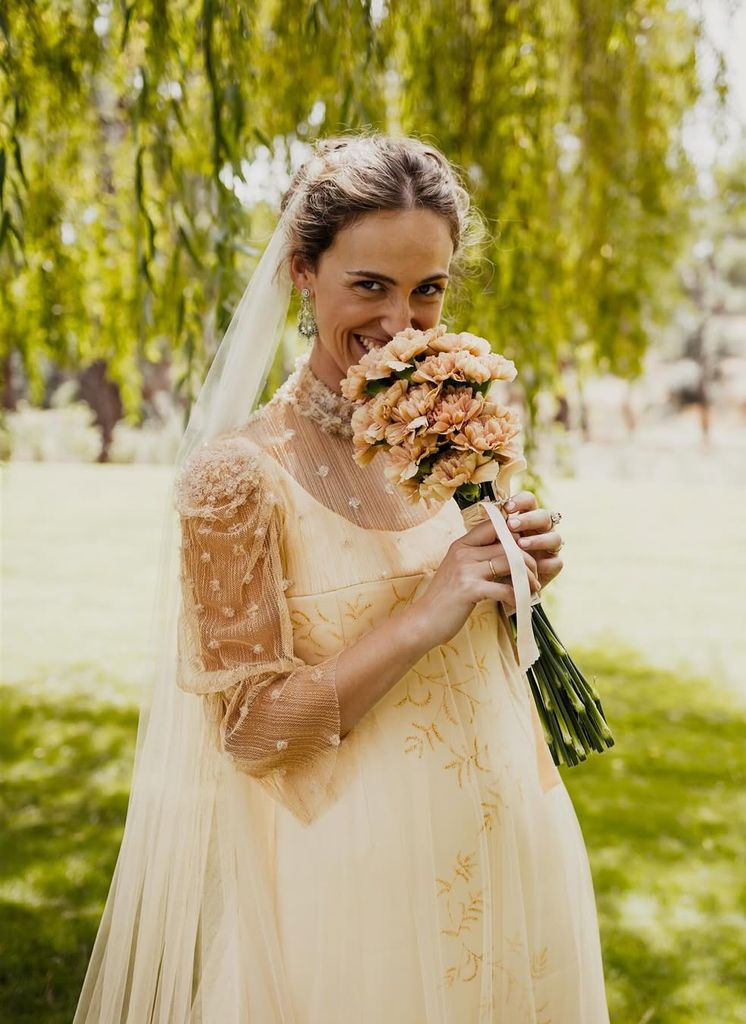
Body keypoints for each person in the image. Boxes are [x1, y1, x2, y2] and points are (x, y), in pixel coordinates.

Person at [73, 132, 610, 1023]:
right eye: (369, 285)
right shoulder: (237, 476)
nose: (401, 322)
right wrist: (423, 615)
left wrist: (516, 581)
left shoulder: (453, 428)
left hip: (513, 831)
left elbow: (475, 641)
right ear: (302, 272)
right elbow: (247, 731)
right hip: (358, 882)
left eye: (427, 289)